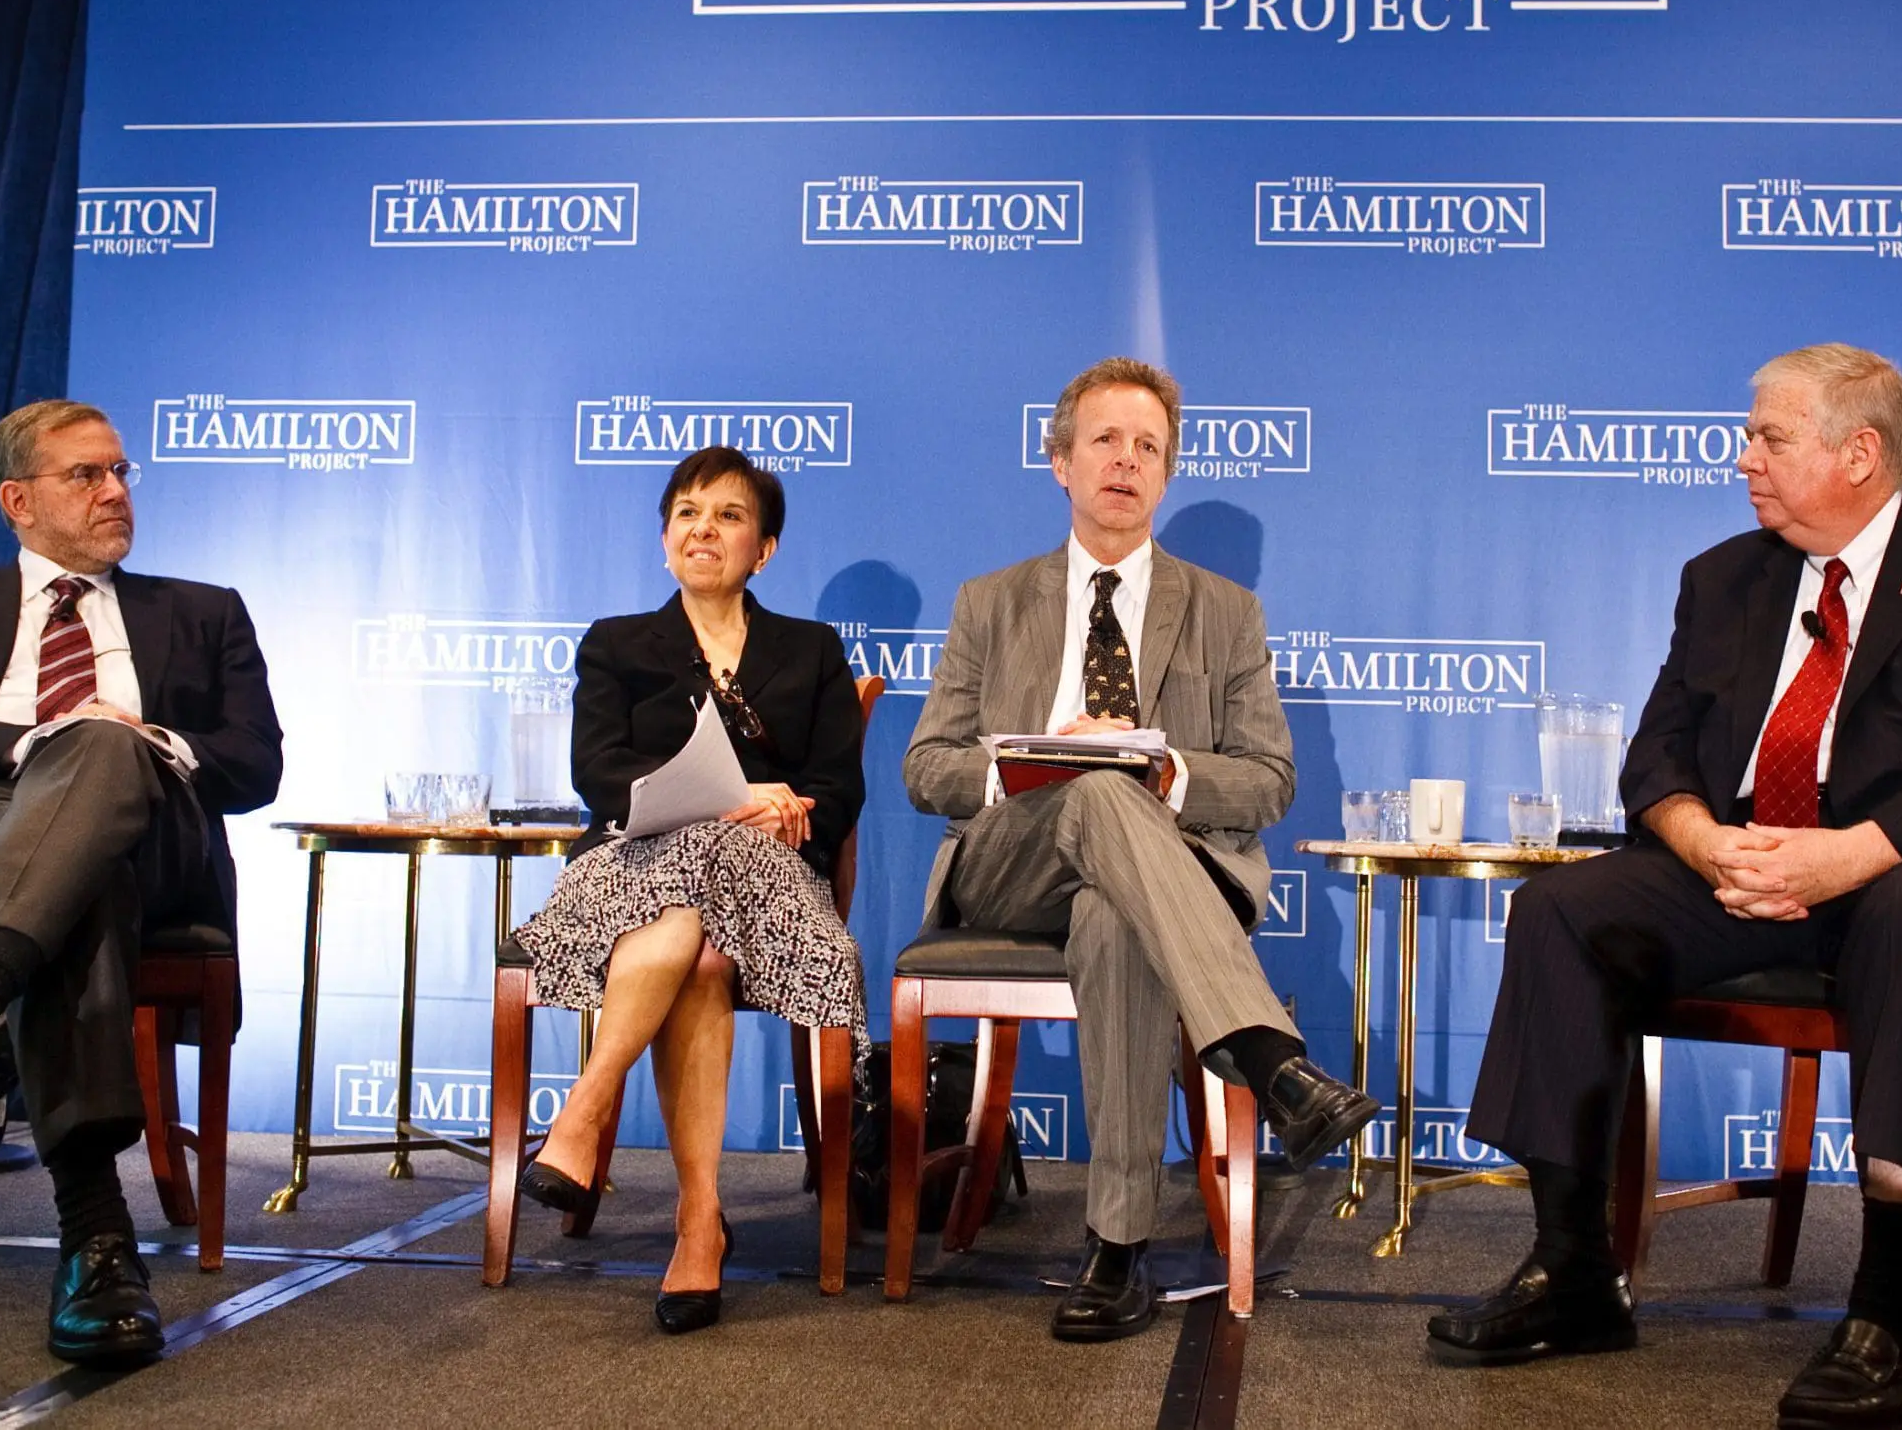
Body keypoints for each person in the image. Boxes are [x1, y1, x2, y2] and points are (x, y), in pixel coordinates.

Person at [1431, 345, 1902, 1430]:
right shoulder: (1725, 577)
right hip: (1749, 863)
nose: (1742, 459)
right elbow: (1656, 757)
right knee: (1562, 909)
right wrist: (1704, 844)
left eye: (1768, 439)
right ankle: (1574, 1273)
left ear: (1859, 454)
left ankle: (1892, 1320)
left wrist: (1856, 851)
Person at [905, 356, 1378, 1342]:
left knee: (1112, 900)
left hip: (1155, 871)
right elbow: (926, 767)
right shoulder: (991, 601)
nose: (1126, 460)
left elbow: (1270, 780)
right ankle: (1269, 1056)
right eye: (1106, 441)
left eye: (1148, 447)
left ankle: (1116, 1249)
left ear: (1166, 472)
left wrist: (1164, 773)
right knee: (1090, 787)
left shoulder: (1226, 611)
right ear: (1061, 462)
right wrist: (1030, 762)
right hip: (1011, 862)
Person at [0, 399, 283, 1366]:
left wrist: (135, 741)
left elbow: (257, 766)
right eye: (86, 474)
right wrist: (37, 740)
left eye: (122, 471)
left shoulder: (203, 610)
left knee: (103, 768)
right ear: (18, 500)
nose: (115, 490)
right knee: (85, 875)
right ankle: (95, 1240)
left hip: (152, 836)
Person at [510, 445, 866, 1335]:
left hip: (768, 886)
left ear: (764, 549)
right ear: (665, 537)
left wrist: (783, 815)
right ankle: (699, 1222)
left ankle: (586, 1108)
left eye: (730, 515)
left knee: (708, 896)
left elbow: (838, 787)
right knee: (697, 949)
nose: (704, 528)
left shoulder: (811, 650)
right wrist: (728, 800)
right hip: (632, 868)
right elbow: (598, 773)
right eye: (688, 513)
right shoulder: (618, 643)